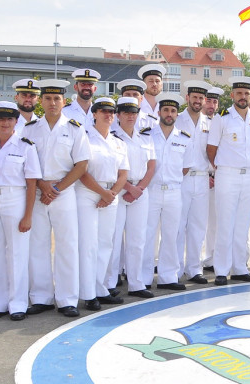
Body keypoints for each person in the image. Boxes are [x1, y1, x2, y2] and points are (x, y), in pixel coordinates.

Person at [21, 79, 89, 318]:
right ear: (41, 101)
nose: (52, 103)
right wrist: (42, 185)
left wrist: (57, 188)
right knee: (37, 245)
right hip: (38, 192)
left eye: (56, 99)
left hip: (64, 192)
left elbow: (81, 164)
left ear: (64, 101)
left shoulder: (75, 128)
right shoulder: (29, 129)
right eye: (48, 98)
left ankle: (67, 299)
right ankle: (41, 297)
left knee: (67, 246)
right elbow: (24, 162)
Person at [0, 100, 41, 320]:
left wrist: (28, 215)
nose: (5, 123)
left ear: (16, 122)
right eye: (0, 118)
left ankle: (18, 303)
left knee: (17, 253)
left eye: (9, 119)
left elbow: (32, 183)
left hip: (16, 199)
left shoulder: (26, 146)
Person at [206, 78, 250, 284]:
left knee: (242, 225)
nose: (243, 97)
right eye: (239, 93)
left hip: (249, 176)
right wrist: (221, 168)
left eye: (247, 94)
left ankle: (239, 268)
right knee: (225, 223)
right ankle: (221, 270)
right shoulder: (222, 118)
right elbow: (211, 149)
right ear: (232, 95)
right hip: (227, 175)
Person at [75, 97, 128, 311]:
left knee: (106, 244)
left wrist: (111, 194)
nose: (108, 115)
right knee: (88, 245)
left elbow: (123, 173)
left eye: (111, 112)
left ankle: (100, 288)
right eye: (103, 111)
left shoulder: (118, 143)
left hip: (110, 195)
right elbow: (81, 171)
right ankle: (88, 294)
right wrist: (102, 193)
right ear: (94, 114)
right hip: (88, 194)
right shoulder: (84, 138)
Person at [107, 96, 157, 298]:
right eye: (126, 112)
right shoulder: (111, 137)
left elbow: (151, 166)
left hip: (140, 192)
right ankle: (110, 283)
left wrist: (139, 188)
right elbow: (111, 168)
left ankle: (136, 283)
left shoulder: (145, 137)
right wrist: (128, 187)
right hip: (118, 191)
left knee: (138, 239)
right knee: (114, 239)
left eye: (133, 113)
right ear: (118, 115)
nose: (130, 116)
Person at [145, 96, 192, 291]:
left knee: (172, 235)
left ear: (177, 115)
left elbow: (185, 167)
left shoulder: (184, 138)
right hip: (151, 191)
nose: (169, 114)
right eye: (166, 110)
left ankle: (168, 277)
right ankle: (144, 278)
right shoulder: (147, 135)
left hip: (174, 192)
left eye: (173, 111)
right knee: (147, 235)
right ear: (159, 113)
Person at [177, 81, 213, 284]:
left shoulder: (210, 123)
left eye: (201, 98)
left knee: (198, 226)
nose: (197, 101)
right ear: (187, 98)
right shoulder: (177, 119)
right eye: (194, 97)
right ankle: (175, 269)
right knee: (177, 225)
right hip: (181, 178)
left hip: (202, 178)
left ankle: (194, 269)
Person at [200, 86, 223, 272]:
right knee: (197, 223)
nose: (211, 105)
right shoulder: (195, 122)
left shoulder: (221, 121)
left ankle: (212, 258)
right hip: (200, 177)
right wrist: (206, 174)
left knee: (215, 222)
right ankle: (194, 261)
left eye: (215, 102)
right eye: (208, 101)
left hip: (219, 177)